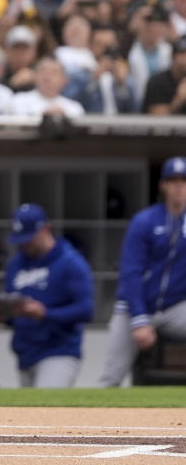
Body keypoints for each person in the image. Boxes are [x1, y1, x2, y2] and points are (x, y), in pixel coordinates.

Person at [100, 157, 186, 386]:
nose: (179, 186)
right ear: (163, 185)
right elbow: (131, 272)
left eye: (184, 181)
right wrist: (139, 319)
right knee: (112, 376)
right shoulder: (145, 221)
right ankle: (93, 419)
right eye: (173, 180)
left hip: (174, 308)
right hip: (134, 306)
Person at [0, 204, 93, 387]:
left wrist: (45, 313)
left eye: (29, 238)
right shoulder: (16, 264)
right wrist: (2, 314)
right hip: (25, 352)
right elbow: (14, 314)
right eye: (21, 240)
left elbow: (85, 310)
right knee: (30, 413)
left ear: (45, 229)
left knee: (45, 409)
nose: (24, 244)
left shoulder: (70, 261)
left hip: (59, 351)